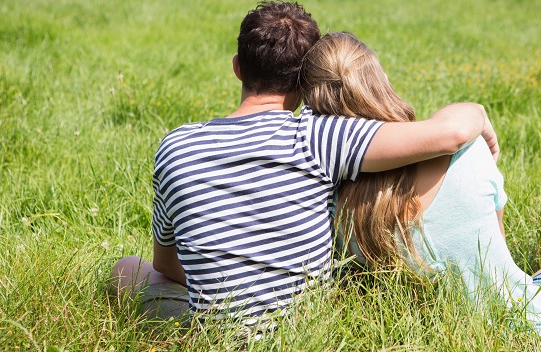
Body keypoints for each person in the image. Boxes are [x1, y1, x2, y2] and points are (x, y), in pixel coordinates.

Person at [109, 2, 500, 326]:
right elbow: (448, 134)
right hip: (303, 328)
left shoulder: (176, 145)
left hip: (215, 333)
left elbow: (166, 263)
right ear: (304, 83)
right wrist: (480, 115)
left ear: (238, 68)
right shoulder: (319, 136)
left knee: (126, 268)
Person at [300, 32, 541, 335]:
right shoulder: (468, 153)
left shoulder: (334, 201)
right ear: (379, 82)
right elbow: (498, 257)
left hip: (429, 335)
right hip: (528, 326)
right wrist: (476, 114)